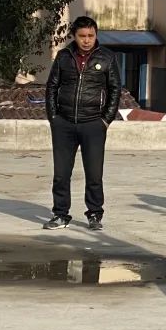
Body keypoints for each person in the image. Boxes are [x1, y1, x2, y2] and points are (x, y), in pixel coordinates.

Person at [43, 15, 121, 230]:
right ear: (74, 36)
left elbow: (115, 90)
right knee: (61, 174)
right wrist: (54, 117)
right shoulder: (63, 57)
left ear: (96, 35)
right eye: (82, 36)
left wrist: (106, 119)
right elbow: (51, 87)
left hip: (93, 124)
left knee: (94, 174)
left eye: (91, 36)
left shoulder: (107, 57)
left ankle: (95, 214)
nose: (86, 40)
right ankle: (60, 214)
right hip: (64, 124)